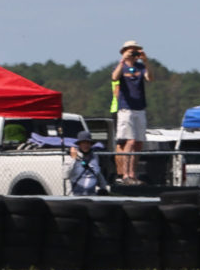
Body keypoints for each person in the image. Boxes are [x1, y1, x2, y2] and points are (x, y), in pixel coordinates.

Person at [111, 40, 151, 185]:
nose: (133, 52)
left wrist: (146, 61)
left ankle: (133, 174)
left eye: (135, 50)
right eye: (130, 50)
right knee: (130, 140)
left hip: (140, 108)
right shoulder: (121, 67)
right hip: (126, 108)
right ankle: (125, 174)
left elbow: (150, 78)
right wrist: (124, 60)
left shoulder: (140, 67)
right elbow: (114, 77)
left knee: (139, 143)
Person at [64, 130, 109, 196]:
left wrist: (103, 187)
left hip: (91, 195)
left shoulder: (94, 156)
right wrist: (73, 159)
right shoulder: (71, 157)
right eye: (83, 143)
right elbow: (65, 175)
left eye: (88, 143)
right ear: (79, 144)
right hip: (75, 195)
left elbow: (97, 172)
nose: (86, 145)